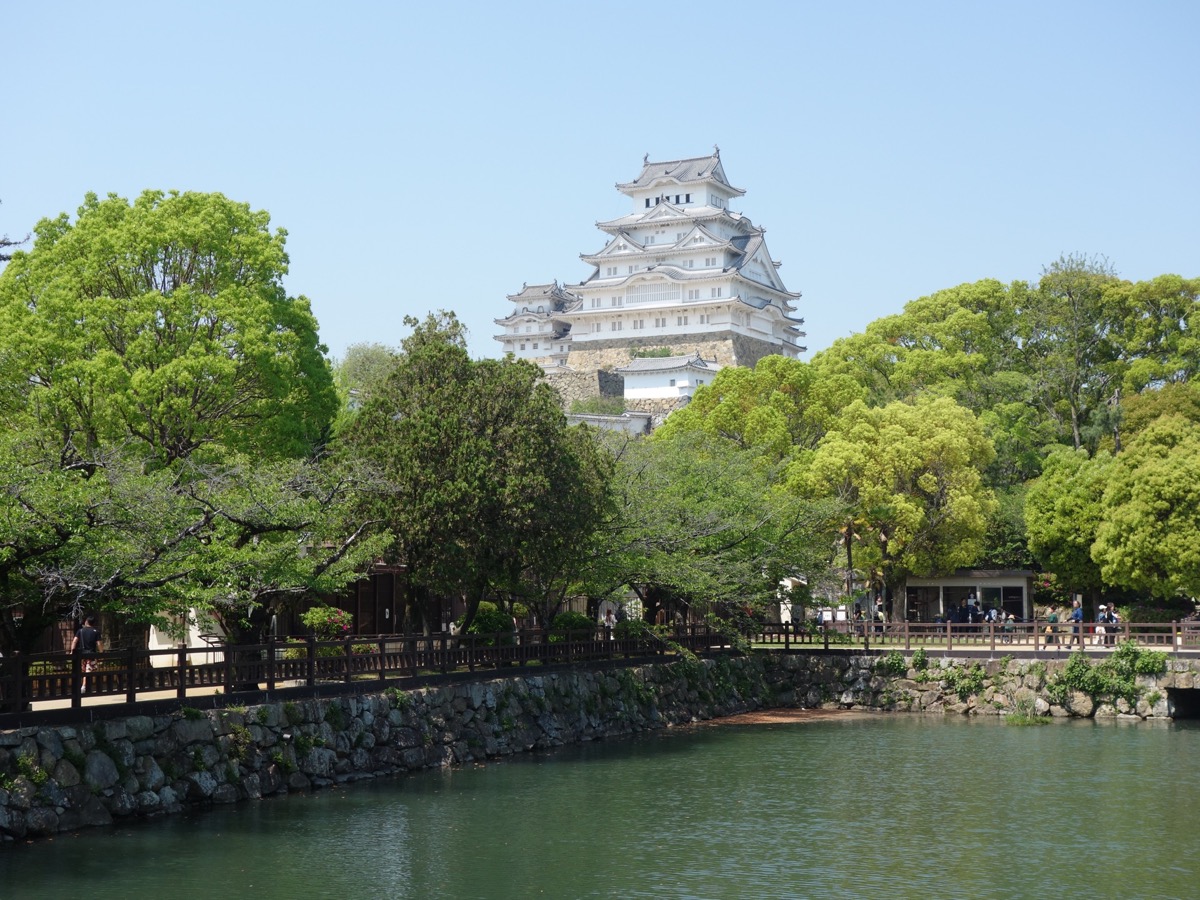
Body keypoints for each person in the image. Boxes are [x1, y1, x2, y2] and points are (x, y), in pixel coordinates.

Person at [70, 614, 103, 693]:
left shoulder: (80, 631)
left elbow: (74, 641)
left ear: (86, 621)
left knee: (84, 670)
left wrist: (72, 651)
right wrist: (102, 652)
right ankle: (84, 686)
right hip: (91, 654)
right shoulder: (96, 632)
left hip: (81, 654)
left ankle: (83, 686)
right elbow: (99, 644)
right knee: (88, 670)